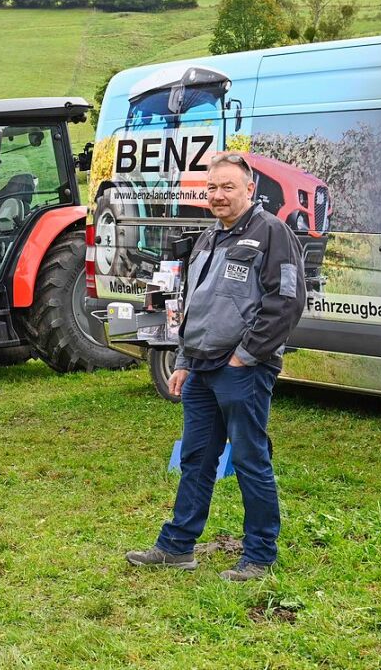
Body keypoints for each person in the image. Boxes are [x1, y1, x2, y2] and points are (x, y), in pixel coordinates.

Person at [125, 154, 307, 582]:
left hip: (242, 370)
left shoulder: (271, 233)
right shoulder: (209, 238)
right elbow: (197, 304)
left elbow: (286, 302)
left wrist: (247, 355)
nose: (218, 196)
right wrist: (185, 360)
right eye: (212, 188)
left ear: (249, 189)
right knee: (196, 459)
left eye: (228, 187)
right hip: (201, 369)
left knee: (249, 458)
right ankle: (177, 547)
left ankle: (260, 555)